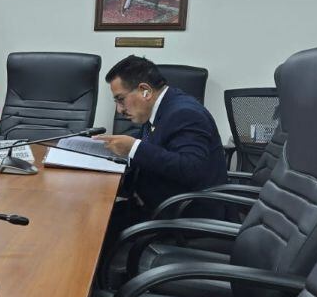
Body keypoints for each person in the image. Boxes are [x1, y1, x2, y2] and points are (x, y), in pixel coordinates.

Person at [94, 55, 228, 237]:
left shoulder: (185, 113)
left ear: (145, 91)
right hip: (158, 205)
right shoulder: (160, 108)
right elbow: (154, 152)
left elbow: (191, 168)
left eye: (121, 99)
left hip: (185, 217)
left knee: (96, 228)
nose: (119, 109)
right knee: (94, 216)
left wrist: (133, 148)